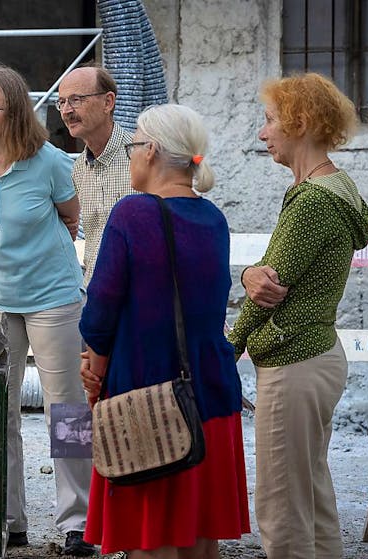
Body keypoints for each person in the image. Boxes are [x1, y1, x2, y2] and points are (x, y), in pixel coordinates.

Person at [79, 104, 251, 558]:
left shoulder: (132, 214)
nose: (132, 153)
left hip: (146, 400)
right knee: (200, 539)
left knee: (149, 542)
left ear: (151, 151)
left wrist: (93, 366)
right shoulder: (213, 218)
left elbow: (101, 307)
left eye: (134, 144)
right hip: (209, 396)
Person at [0, 63, 96, 557]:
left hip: (53, 299)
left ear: (15, 112)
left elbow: (71, 216)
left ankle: (78, 522)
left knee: (68, 410)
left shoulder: (52, 162)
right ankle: (7, 520)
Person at [228, 73, 368, 559]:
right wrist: (252, 272)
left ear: (301, 122)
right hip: (320, 356)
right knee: (311, 497)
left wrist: (229, 347)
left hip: (294, 362)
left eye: (270, 120)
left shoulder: (311, 201)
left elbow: (268, 289)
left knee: (281, 506)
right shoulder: (340, 188)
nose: (262, 132)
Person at [57, 65, 135, 288]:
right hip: (97, 298)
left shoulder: (143, 157)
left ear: (108, 102)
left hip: (141, 301)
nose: (66, 111)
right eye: (61, 102)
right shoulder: (78, 169)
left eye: (76, 99)